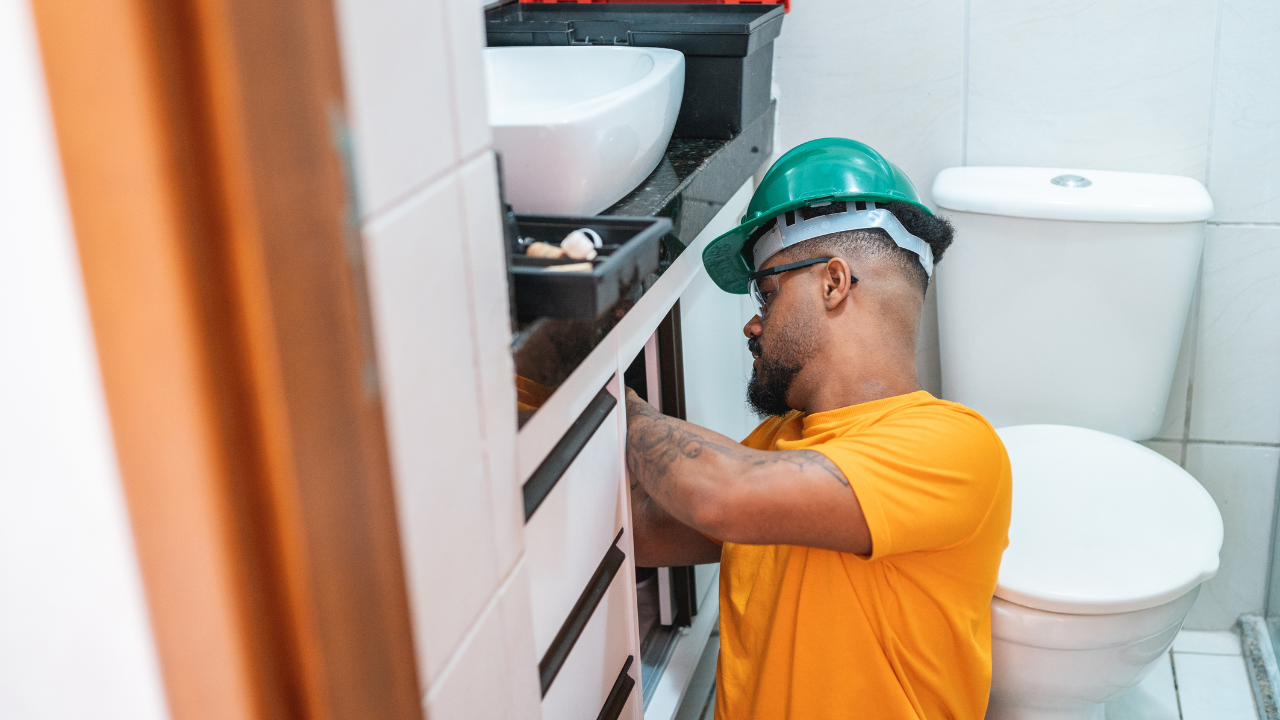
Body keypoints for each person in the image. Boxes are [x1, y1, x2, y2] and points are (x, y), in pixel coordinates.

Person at [625, 138, 1013, 720]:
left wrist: (611, 399)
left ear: (833, 282)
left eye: (767, 291)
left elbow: (722, 494)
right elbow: (647, 531)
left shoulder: (954, 446)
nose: (754, 324)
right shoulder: (779, 443)